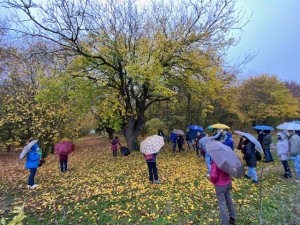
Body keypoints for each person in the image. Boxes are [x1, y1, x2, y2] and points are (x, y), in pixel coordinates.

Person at [210, 159, 236, 225]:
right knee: (229, 200)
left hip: (220, 186)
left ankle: (224, 223)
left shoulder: (215, 162)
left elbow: (214, 176)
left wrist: (211, 180)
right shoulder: (227, 160)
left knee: (222, 204)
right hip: (228, 183)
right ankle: (233, 218)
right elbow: (231, 170)